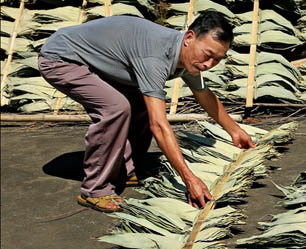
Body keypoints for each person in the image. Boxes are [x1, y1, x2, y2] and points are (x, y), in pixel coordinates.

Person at [38, 11, 254, 213]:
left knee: (140, 104)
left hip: (95, 61)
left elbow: (203, 93)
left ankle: (126, 169)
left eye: (217, 59)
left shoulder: (187, 55)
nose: (209, 64)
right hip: (61, 59)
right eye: (207, 55)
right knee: (115, 108)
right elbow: (159, 125)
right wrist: (189, 179)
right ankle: (95, 190)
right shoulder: (156, 57)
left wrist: (234, 130)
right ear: (189, 37)